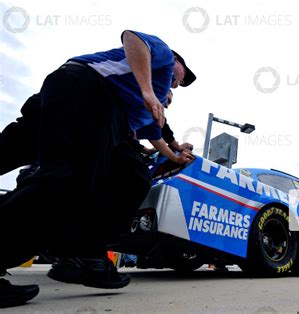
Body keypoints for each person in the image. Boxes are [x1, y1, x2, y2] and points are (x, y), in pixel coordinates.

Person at [0, 30, 195, 308]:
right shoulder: (160, 58)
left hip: (73, 97)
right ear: (175, 60)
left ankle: (84, 253)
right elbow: (132, 38)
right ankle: (81, 252)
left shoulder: (141, 104)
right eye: (182, 76)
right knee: (66, 180)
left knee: (129, 177)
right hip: (86, 92)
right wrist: (149, 90)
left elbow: (157, 132)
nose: (179, 83)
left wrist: (174, 151)